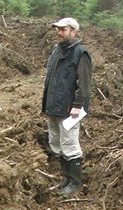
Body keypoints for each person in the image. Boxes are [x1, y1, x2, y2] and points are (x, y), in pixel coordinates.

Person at [41, 17, 92, 195]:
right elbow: (51, 79)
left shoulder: (80, 53)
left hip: (70, 108)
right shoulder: (56, 51)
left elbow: (84, 83)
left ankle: (75, 183)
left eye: (63, 29)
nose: (59, 32)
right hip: (54, 105)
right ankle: (66, 177)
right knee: (56, 142)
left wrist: (78, 105)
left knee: (69, 143)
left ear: (74, 31)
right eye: (58, 29)